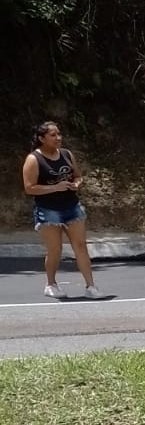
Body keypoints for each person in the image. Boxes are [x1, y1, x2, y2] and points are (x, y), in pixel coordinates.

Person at [21, 122, 103, 299]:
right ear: (42, 139)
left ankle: (91, 287)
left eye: (59, 134)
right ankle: (51, 284)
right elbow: (29, 188)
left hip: (72, 207)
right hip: (48, 209)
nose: (58, 138)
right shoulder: (34, 159)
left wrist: (76, 184)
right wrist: (55, 187)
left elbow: (78, 176)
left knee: (81, 246)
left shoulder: (66, 154)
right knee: (55, 249)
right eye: (53, 135)